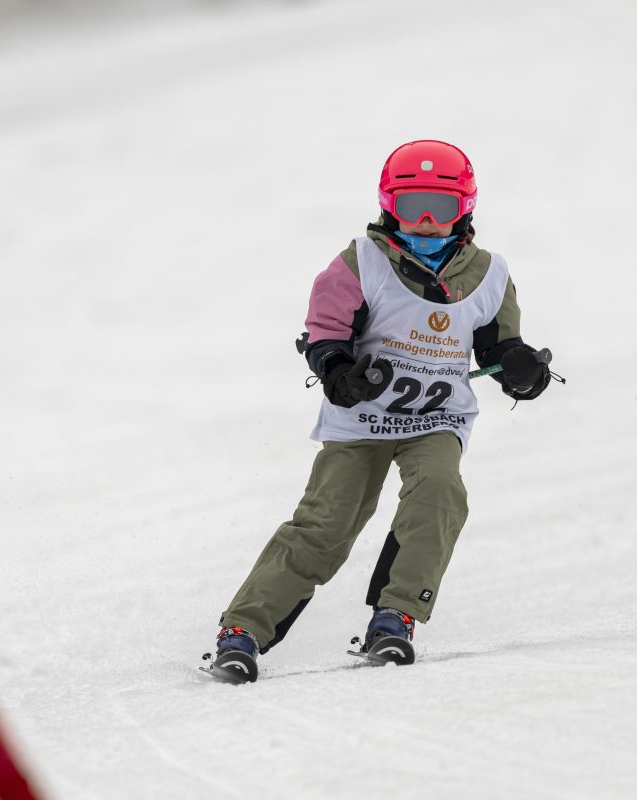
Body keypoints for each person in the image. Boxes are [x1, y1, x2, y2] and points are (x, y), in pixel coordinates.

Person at [207, 140, 554, 683]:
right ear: (389, 205)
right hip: (362, 419)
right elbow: (325, 331)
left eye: (439, 209)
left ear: (464, 209)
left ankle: (395, 616)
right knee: (327, 522)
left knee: (440, 492)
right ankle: (243, 630)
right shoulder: (361, 262)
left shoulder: (489, 275)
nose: (425, 222)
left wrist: (521, 370)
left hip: (435, 419)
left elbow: (498, 348)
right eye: (412, 207)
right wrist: (337, 370)